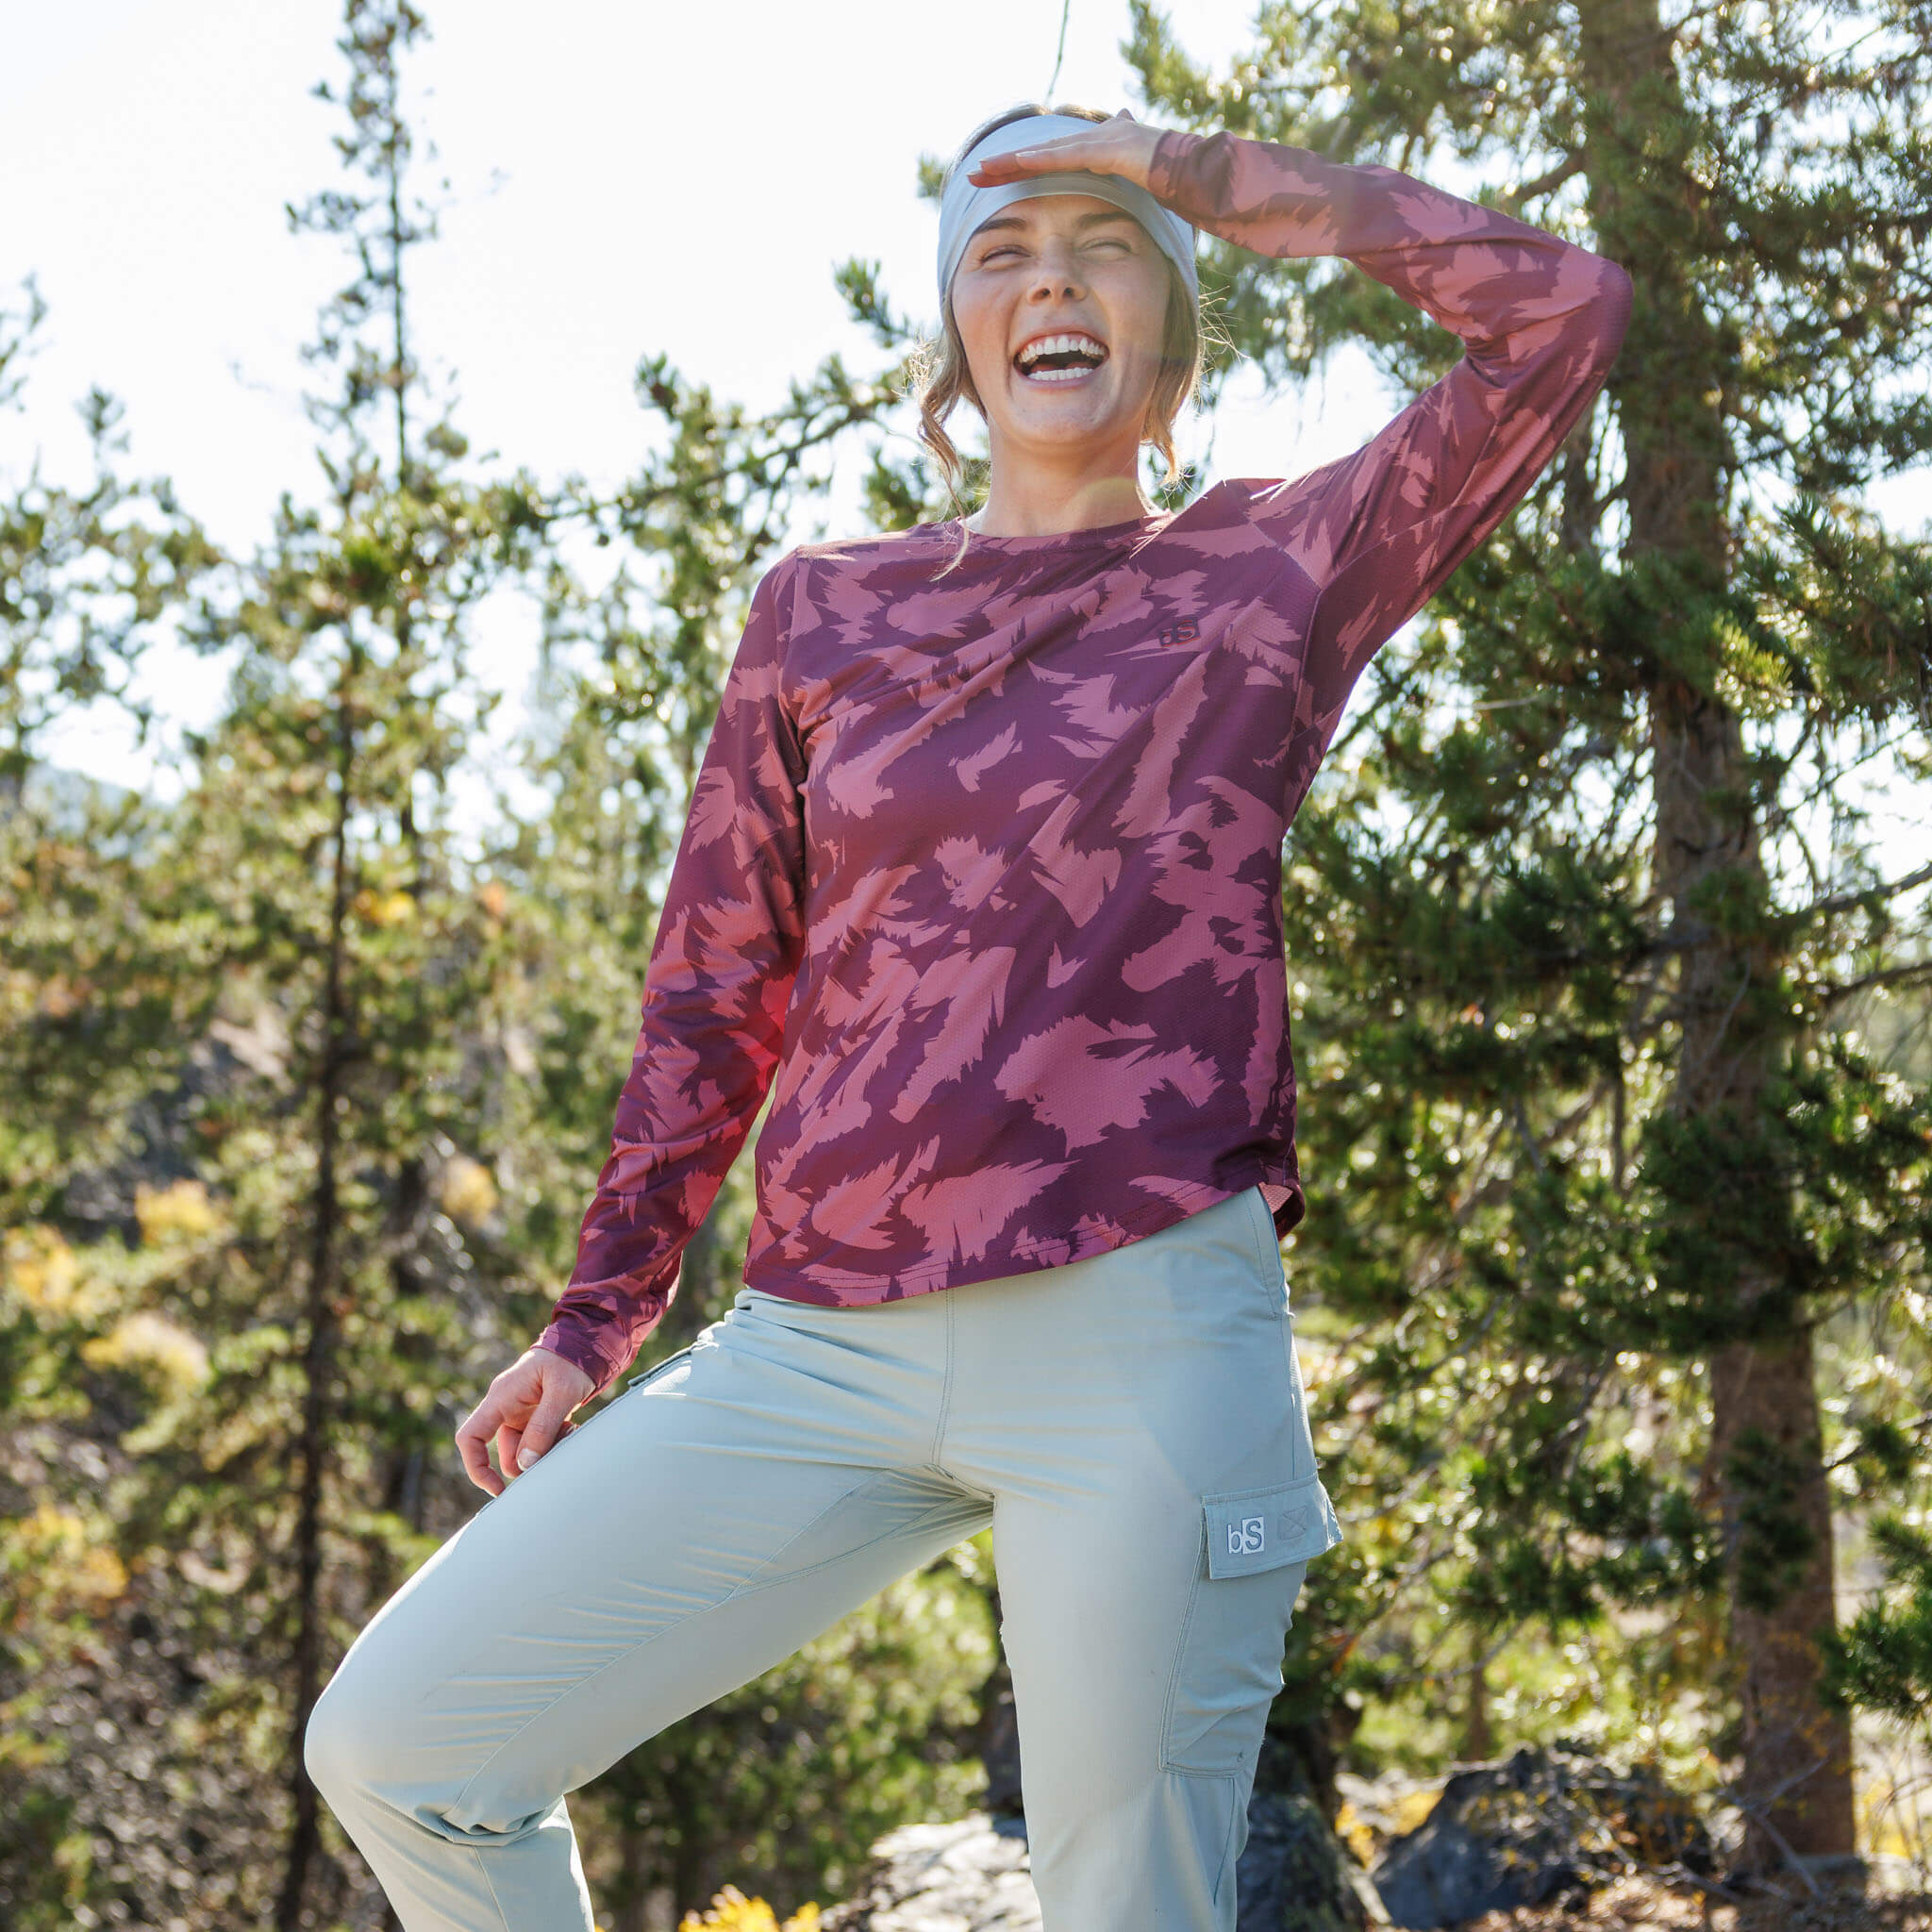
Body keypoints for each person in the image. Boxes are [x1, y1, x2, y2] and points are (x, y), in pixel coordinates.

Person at [303, 100, 1632, 1931]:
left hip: (1147, 1334)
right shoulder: (821, 612)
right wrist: (593, 1319)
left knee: (1124, 1907)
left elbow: (1561, 310)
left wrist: (1203, 176)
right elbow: (715, 983)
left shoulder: (1270, 572)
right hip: (812, 1351)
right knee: (400, 1746)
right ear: (956, 344)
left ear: (1168, 335)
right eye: (998, 252)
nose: (1050, 278)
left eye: (1101, 247)